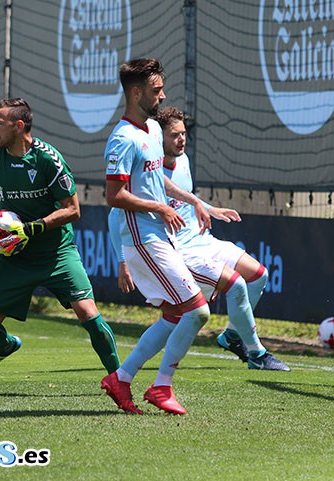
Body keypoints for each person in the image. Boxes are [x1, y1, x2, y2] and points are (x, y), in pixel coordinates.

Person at [107, 107, 289, 379]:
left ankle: (231, 336)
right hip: (178, 250)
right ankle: (257, 354)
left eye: (183, 134)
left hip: (203, 240)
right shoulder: (145, 169)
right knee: (201, 304)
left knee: (258, 276)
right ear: (159, 139)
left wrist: (210, 208)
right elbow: (115, 213)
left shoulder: (184, 162)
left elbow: (187, 197)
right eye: (174, 135)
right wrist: (122, 262)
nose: (181, 140)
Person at [0, 97, 120, 378]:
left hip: (56, 254)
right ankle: (4, 346)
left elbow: (73, 210)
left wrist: (31, 229)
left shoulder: (48, 160)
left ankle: (119, 381)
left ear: (18, 126)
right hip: (16, 258)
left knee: (89, 315)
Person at [101, 59, 212, 415]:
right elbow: (114, 196)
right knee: (197, 311)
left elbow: (154, 179)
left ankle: (122, 377)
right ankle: (161, 385)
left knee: (175, 315)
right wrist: (161, 208)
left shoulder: (151, 127)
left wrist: (188, 199)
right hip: (142, 238)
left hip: (161, 234)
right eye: (156, 90)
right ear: (137, 92)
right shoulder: (122, 138)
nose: (162, 95)